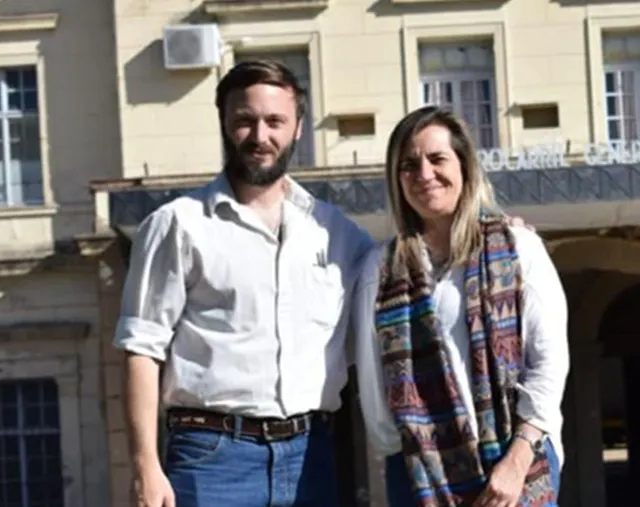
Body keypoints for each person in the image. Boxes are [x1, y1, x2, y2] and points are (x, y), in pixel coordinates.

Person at [114, 61, 531, 507]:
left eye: (275, 121)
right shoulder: (178, 225)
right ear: (224, 124)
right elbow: (142, 348)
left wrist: (494, 234)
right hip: (212, 457)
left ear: (297, 130)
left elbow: (415, 267)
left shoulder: (338, 235)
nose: (260, 136)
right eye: (244, 121)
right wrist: (145, 465)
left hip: (311, 456)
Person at [352, 106, 570, 507]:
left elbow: (549, 362)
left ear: (465, 166)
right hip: (422, 474)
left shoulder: (519, 248)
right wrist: (411, 453)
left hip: (516, 461)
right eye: (409, 165)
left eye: (437, 159)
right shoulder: (380, 268)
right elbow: (372, 378)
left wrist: (517, 458)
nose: (424, 174)